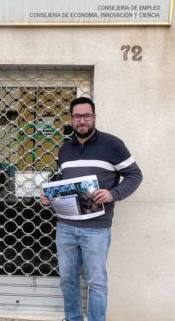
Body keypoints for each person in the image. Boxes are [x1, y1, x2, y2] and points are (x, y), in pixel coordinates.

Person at [40, 97, 142, 321]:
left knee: (96, 282)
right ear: (71, 119)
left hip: (96, 229)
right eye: (77, 116)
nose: (82, 120)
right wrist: (48, 197)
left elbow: (135, 175)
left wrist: (113, 194)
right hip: (66, 227)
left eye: (86, 115)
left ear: (94, 117)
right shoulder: (65, 149)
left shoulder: (113, 144)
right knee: (67, 280)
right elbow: (61, 181)